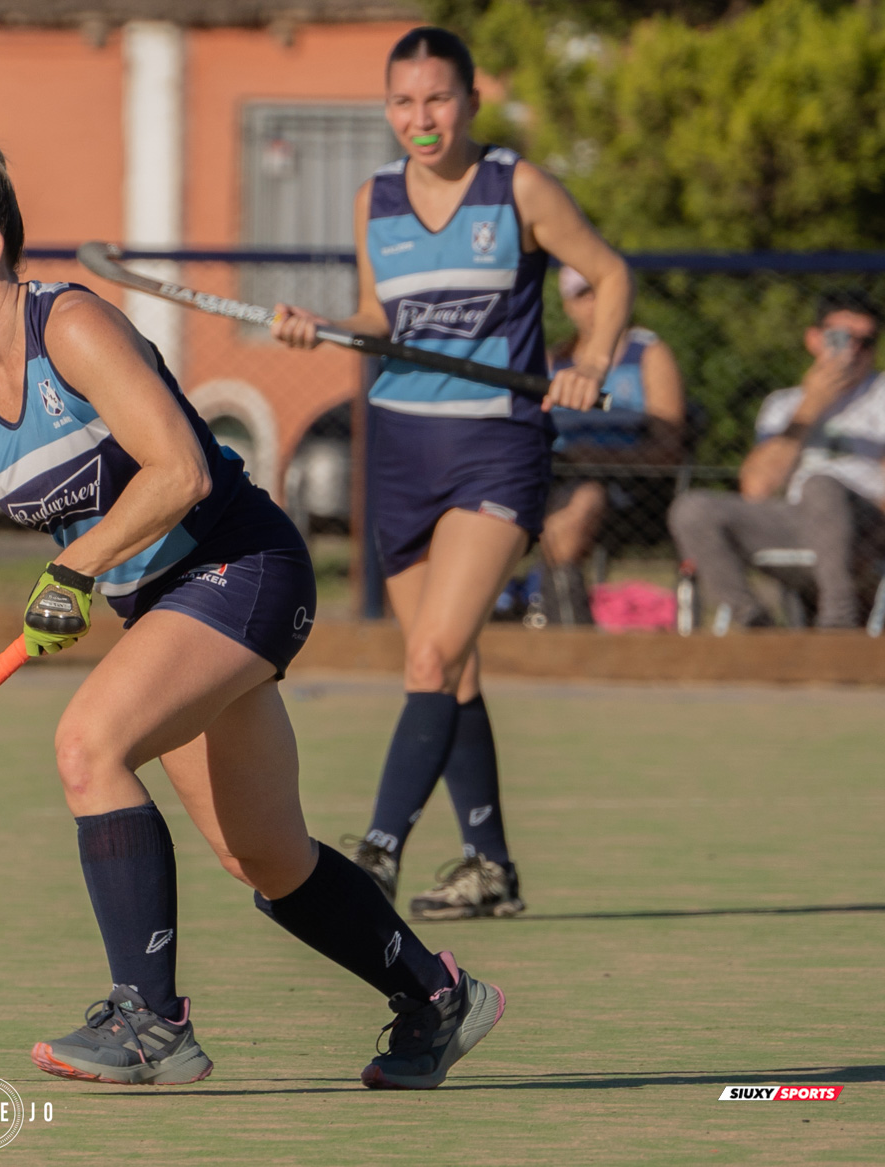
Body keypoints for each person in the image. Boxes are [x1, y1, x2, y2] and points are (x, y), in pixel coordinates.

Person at [0, 141, 504, 1092]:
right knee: (264, 856)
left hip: (243, 566)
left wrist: (75, 566)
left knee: (89, 742)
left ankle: (150, 1020)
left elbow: (181, 469)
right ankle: (438, 996)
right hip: (166, 605)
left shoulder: (70, 329)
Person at [270, 27, 630, 920]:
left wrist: (593, 355)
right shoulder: (375, 201)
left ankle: (377, 852)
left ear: (469, 101)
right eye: (402, 102)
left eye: (437, 100)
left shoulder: (519, 188)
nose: (420, 120)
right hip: (400, 451)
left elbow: (610, 273)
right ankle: (489, 865)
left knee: (430, 655)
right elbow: (376, 316)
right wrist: (329, 326)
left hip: (494, 447)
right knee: (451, 670)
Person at [668, 293, 885, 629]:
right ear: (814, 339)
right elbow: (756, 489)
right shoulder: (783, 405)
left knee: (821, 485)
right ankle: (753, 621)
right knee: (693, 509)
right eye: (841, 338)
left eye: (866, 341)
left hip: (867, 523)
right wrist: (810, 406)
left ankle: (839, 622)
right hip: (794, 521)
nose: (853, 350)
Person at [541, 264, 687, 625]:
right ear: (566, 304)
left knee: (581, 502)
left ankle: (569, 631)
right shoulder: (552, 360)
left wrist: (598, 457)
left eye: (598, 291)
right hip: (553, 477)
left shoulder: (647, 354)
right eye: (581, 294)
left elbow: (668, 449)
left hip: (631, 488)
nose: (591, 302)